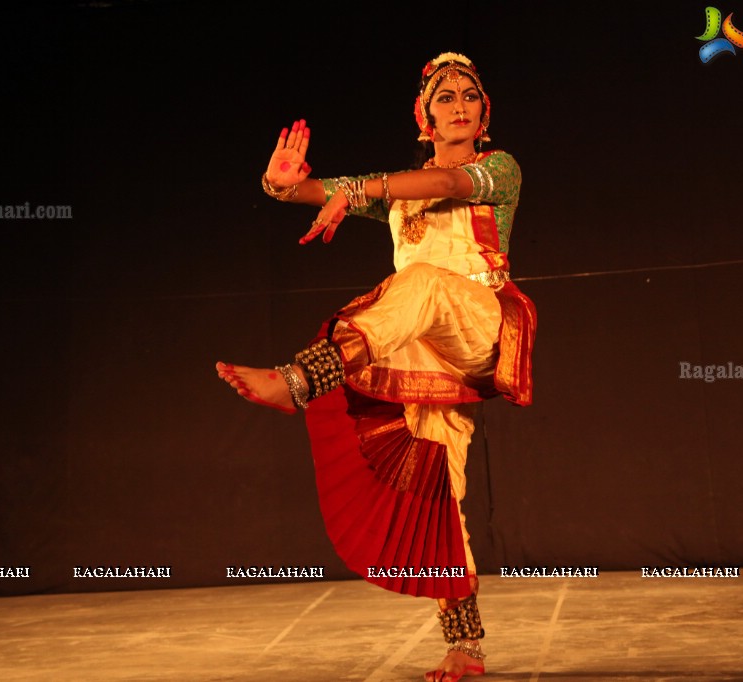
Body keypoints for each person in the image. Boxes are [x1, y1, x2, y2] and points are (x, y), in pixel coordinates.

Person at [216, 52, 536, 681]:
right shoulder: (395, 190)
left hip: (478, 323)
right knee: (439, 486)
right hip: (420, 344)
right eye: (445, 98)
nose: (460, 106)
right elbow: (315, 191)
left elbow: (444, 186)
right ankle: (465, 645)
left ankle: (300, 381)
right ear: (425, 116)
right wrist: (280, 184)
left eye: (470, 95)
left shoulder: (499, 169)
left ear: (484, 114)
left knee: (418, 280)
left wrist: (359, 189)